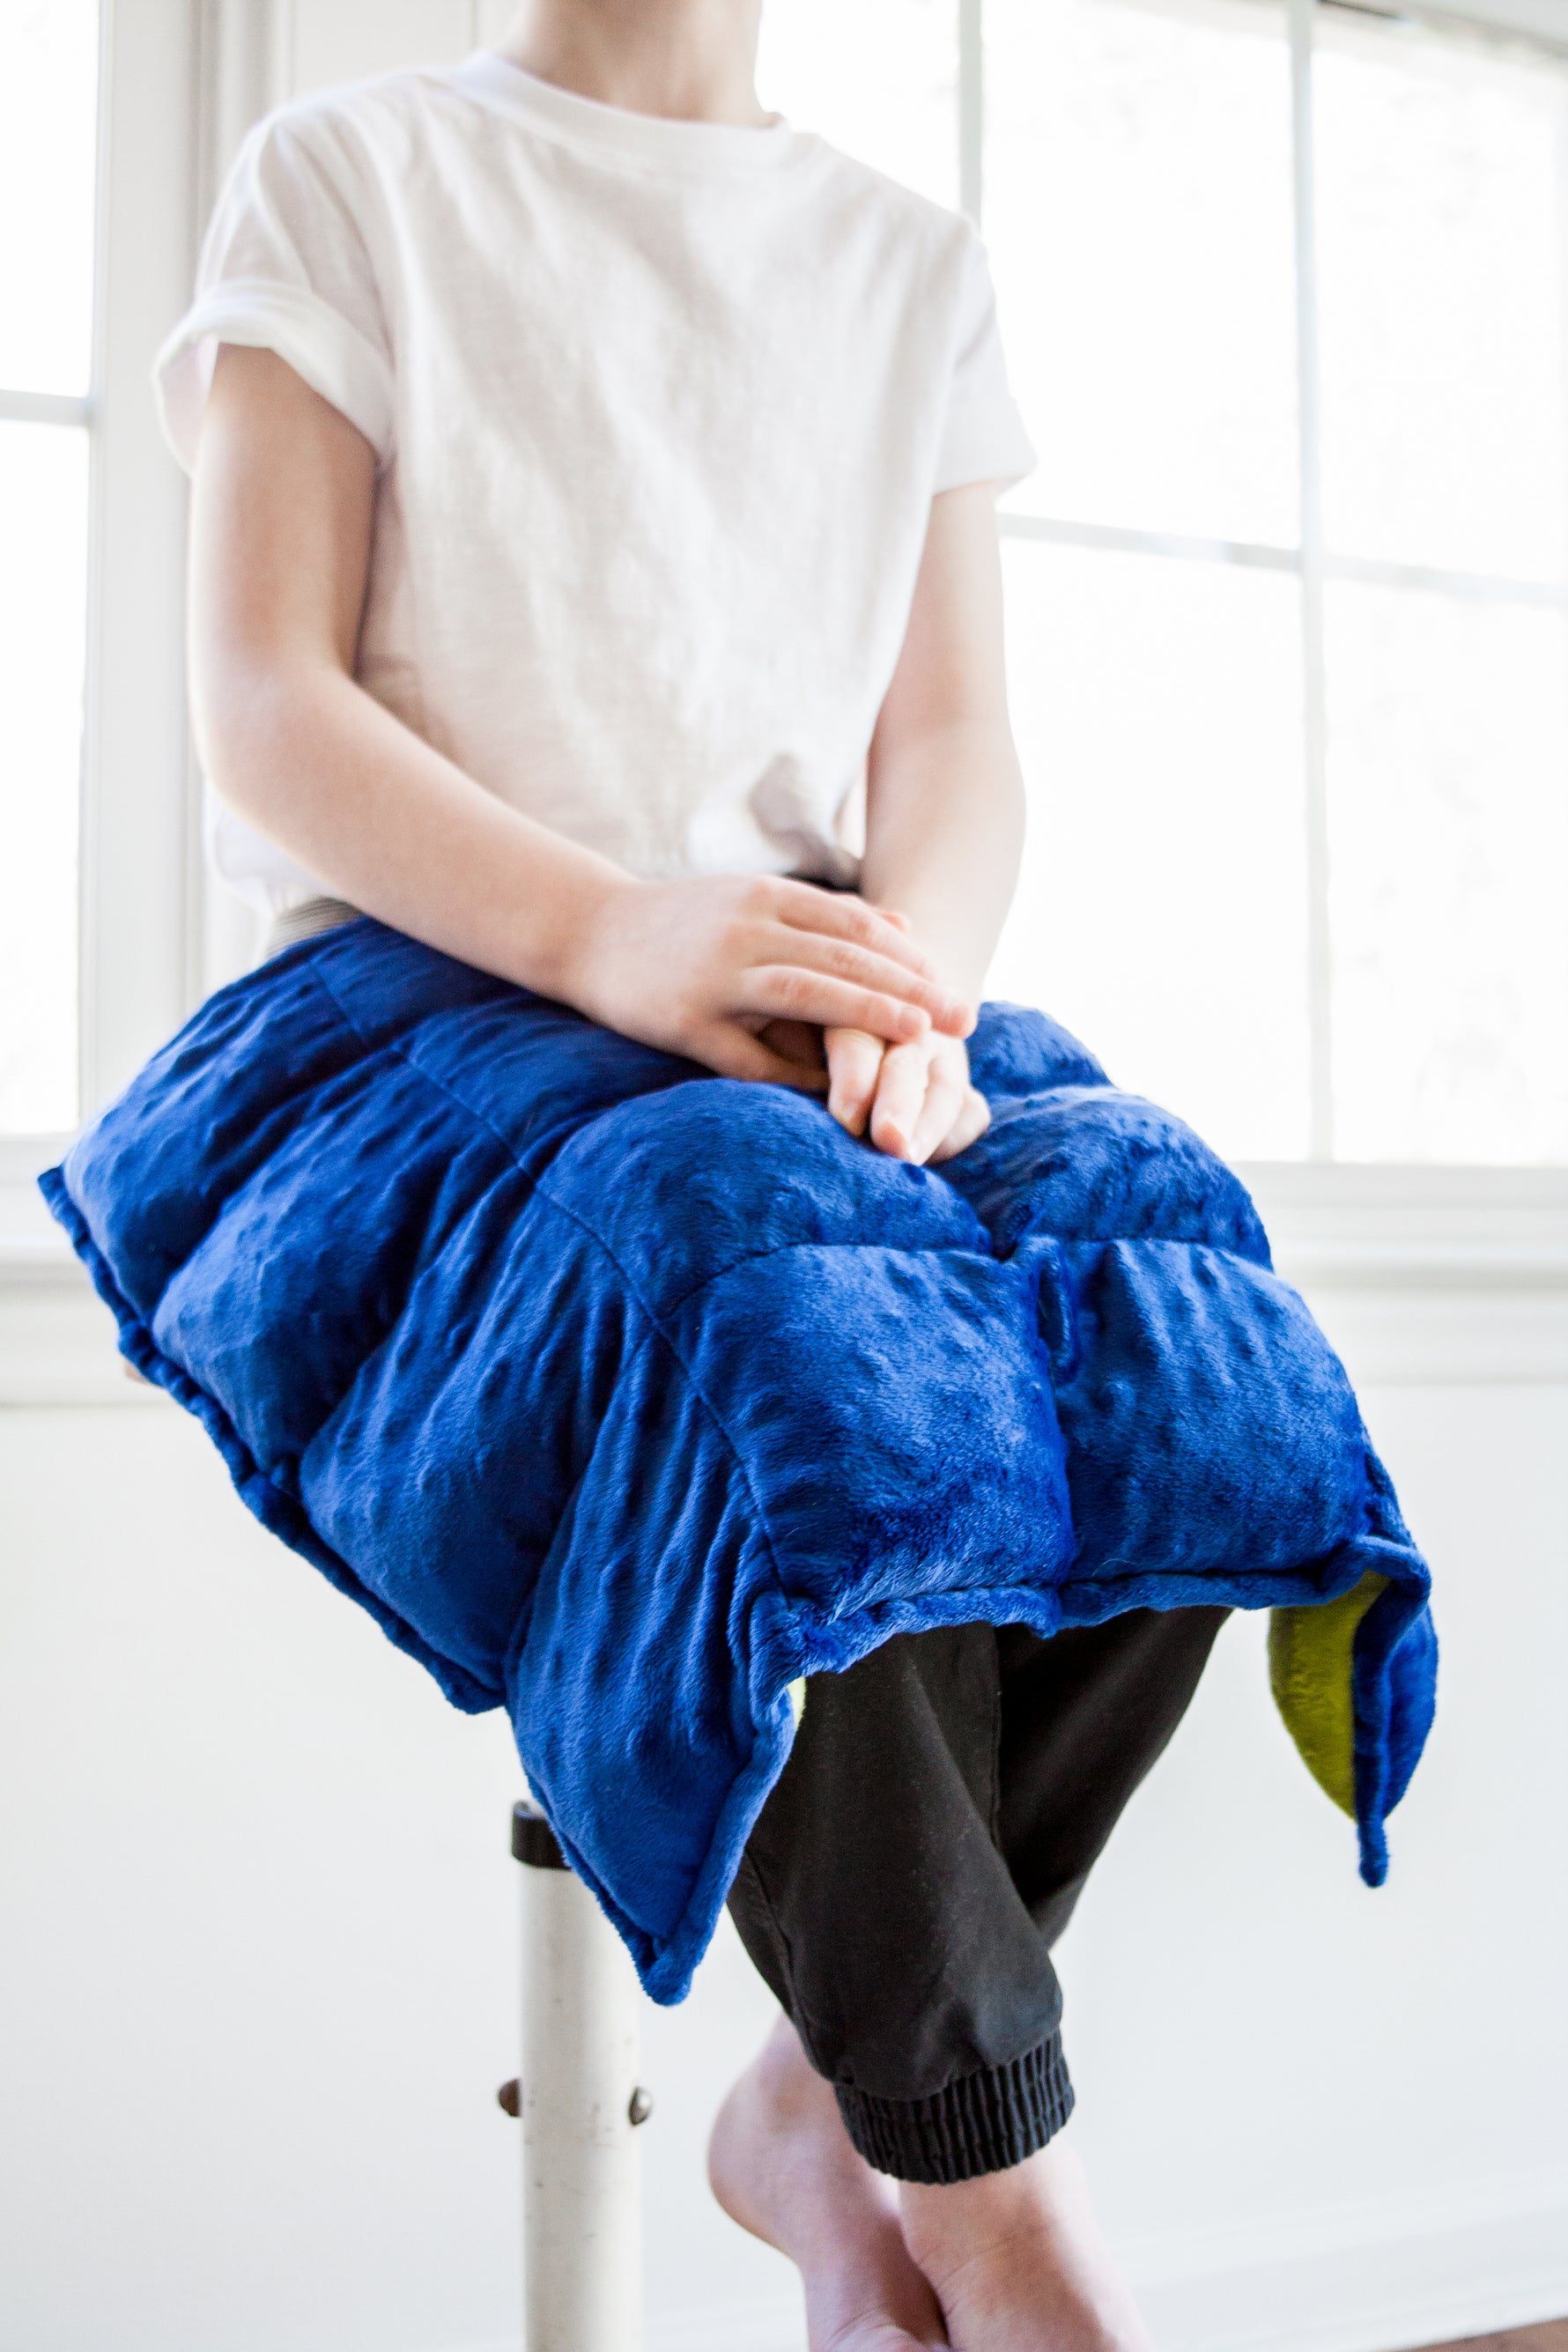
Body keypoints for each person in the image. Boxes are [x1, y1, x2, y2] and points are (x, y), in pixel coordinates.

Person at [55, 4, 1430, 2347]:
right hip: (422, 1001)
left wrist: (913, 994)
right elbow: (267, 700)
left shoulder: (904, 257)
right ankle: (996, 2206)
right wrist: (611, 930)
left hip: (800, 999)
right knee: (762, 1277)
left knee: (1168, 1287)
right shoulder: (352, 167)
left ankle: (824, 2098)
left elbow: (958, 739)